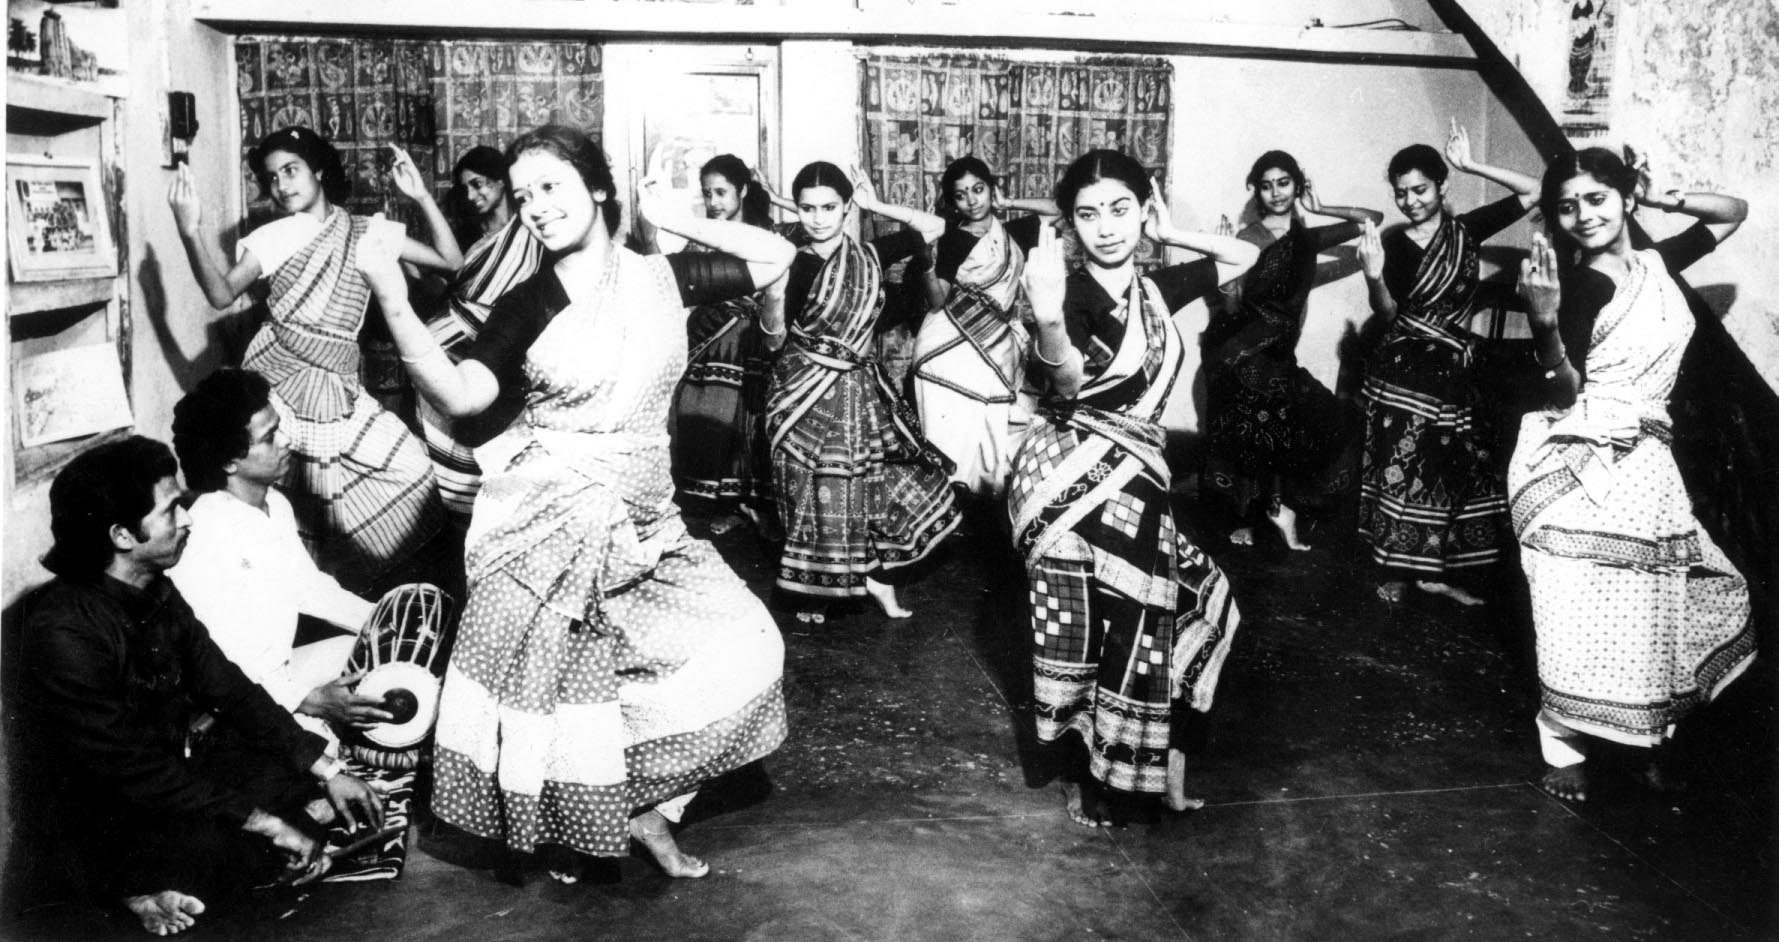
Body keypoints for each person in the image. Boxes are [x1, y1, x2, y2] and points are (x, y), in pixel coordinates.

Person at [361, 125, 792, 881]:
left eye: (551, 188)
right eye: (522, 195)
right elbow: (463, 392)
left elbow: (776, 256)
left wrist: (671, 213)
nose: (533, 207)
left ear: (596, 188)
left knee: (749, 645)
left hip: (647, 512)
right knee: (571, 695)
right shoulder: (530, 300)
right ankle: (587, 823)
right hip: (547, 519)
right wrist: (394, 301)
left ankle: (646, 807)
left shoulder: (666, 277)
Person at [18, 437, 383, 936]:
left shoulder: (155, 590)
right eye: (171, 511)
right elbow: (131, 771)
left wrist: (328, 770)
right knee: (242, 836)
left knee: (288, 776)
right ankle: (137, 891)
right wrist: (268, 823)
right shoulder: (63, 629)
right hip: (109, 813)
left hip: (168, 780)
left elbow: (229, 689)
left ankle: (204, 868)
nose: (187, 520)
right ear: (123, 534)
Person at [1012, 150, 1256, 824]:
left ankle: (1156, 767)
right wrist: (1049, 318)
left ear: (1143, 207)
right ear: (1069, 224)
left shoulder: (1154, 288)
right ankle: (1092, 778)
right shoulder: (1068, 294)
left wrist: (1168, 231)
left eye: (1120, 209)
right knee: (1092, 630)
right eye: (1087, 215)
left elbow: (1242, 256)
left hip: (1138, 474)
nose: (1106, 228)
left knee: (1175, 612)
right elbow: (1065, 388)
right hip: (1069, 478)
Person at [1510, 147, 1754, 802]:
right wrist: (1541, 319)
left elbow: (1734, 211)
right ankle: (1564, 747)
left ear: (1623, 197)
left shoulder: (1654, 262)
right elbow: (1561, 389)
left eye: (1595, 198)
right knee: (1582, 607)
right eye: (1566, 207)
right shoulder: (1584, 285)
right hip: (1589, 454)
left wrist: (1663, 197)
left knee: (1656, 606)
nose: (1581, 215)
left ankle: (1647, 735)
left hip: (1649, 458)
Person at [166, 127, 460, 583]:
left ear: (319, 170)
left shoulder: (367, 230)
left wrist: (420, 196)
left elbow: (451, 261)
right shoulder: (274, 235)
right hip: (281, 383)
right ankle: (307, 601)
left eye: (291, 170)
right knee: (300, 511)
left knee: (414, 472)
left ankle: (356, 585)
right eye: (272, 178)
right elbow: (221, 295)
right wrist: (190, 230)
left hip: (339, 384)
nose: (282, 185)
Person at [1354, 120, 1539, 605]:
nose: (1411, 201)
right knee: (1402, 468)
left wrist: (1472, 163)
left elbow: (1538, 190)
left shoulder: (1466, 230)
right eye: (1401, 193)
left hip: (1455, 368)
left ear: (1442, 185)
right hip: (1404, 369)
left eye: (1420, 189)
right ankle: (1395, 569)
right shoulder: (1392, 245)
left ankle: (1434, 572)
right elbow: (1388, 313)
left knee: (1449, 468)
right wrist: (1374, 278)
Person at [767, 160, 960, 623]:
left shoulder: (869, 256)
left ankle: (876, 579)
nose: (817, 218)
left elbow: (934, 226)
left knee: (865, 488)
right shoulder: (785, 258)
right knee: (809, 490)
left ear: (846, 207)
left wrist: (876, 205)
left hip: (857, 390)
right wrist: (773, 296)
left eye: (829, 207)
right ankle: (815, 591)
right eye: (806, 207)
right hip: (799, 390)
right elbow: (773, 341)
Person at [166, 368, 396, 750]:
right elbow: (220, 668)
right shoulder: (204, 534)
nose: (287, 441)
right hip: (235, 703)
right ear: (228, 462)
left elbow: (312, 590)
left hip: (280, 673)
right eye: (270, 437)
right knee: (333, 770)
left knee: (381, 658)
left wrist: (382, 621)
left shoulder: (274, 503)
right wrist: (309, 700)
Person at [1201, 150, 1380, 550]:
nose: (1276, 192)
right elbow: (1230, 307)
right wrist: (1222, 260)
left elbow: (1372, 220)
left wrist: (1321, 206)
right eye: (1266, 185)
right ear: (1258, 192)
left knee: (1320, 423)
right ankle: (1256, 517)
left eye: (1284, 183)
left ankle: (1283, 511)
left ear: (1297, 185)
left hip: (1281, 354)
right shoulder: (1248, 239)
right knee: (1254, 433)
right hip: (1243, 353)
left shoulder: (1307, 239)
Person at [908, 155, 1058, 499]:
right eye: (961, 195)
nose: (972, 200)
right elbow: (937, 300)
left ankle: (988, 508)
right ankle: (951, 509)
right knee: (957, 436)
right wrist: (927, 265)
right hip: (948, 349)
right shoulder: (953, 240)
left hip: (997, 345)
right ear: (953, 201)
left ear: (992, 190)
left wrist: (1010, 202)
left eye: (979, 189)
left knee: (1001, 429)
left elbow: (1057, 210)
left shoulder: (1015, 232)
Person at [418, 145, 546, 520]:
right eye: (466, 189)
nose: (473, 196)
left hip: (494, 349)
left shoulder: (531, 230)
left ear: (502, 183)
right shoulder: (476, 244)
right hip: (450, 344)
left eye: (480, 185)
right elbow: (458, 295)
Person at [667, 154, 784, 536]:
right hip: (706, 341)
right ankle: (713, 503)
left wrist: (779, 199)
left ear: (743, 191)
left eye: (722, 192)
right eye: (707, 194)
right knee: (702, 418)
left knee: (746, 425)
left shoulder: (765, 235)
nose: (714, 202)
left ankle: (744, 505)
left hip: (751, 340)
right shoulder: (699, 240)